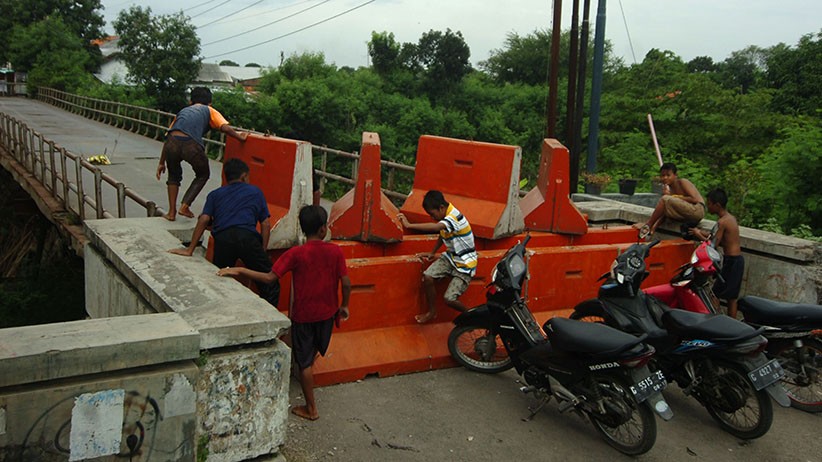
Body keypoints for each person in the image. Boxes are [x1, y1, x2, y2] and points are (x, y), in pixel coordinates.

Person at [217, 205, 351, 421]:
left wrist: (240, 270)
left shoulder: (296, 254)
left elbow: (270, 278)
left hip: (304, 315)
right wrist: (344, 305)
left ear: (302, 228)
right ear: (323, 229)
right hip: (328, 313)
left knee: (304, 362)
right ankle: (307, 387)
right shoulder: (335, 251)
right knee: (312, 351)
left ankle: (311, 408)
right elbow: (345, 283)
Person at [169, 158, 279, 306]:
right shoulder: (255, 191)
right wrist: (262, 250)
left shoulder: (215, 194)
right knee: (269, 283)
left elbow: (204, 219)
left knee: (220, 279)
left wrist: (190, 249)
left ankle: (221, 309)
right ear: (244, 176)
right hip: (247, 237)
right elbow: (265, 224)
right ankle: (269, 315)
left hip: (223, 239)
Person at [157, 86, 249, 221]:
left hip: (171, 143)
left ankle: (171, 213)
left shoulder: (183, 111)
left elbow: (169, 135)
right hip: (190, 144)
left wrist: (161, 162)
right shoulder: (209, 110)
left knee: (173, 176)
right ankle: (185, 205)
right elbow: (224, 127)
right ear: (210, 102)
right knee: (203, 174)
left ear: (191, 102)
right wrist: (240, 137)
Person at [397, 190, 477, 324]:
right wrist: (432, 252)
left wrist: (409, 225)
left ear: (441, 207)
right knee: (428, 276)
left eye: (432, 214)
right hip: (452, 258)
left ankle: (472, 315)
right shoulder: (446, 217)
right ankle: (432, 312)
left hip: (465, 265)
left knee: (449, 299)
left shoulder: (454, 217)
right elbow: (443, 233)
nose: (432, 218)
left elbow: (436, 228)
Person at [689, 188, 744, 319]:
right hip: (737, 260)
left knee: (715, 293)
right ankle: (731, 322)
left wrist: (698, 235)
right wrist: (702, 232)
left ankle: (715, 319)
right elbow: (718, 236)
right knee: (731, 297)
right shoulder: (730, 218)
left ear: (717, 205)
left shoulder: (722, 222)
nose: (708, 207)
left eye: (710, 204)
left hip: (731, 261)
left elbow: (713, 244)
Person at [634, 162, 705, 236]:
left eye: (668, 175)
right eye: (663, 175)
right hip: (686, 215)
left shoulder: (682, 182)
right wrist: (655, 227)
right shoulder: (670, 189)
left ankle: (648, 225)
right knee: (666, 202)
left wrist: (672, 197)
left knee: (665, 198)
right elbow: (664, 210)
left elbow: (694, 199)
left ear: (675, 175)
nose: (665, 178)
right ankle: (652, 227)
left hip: (697, 209)